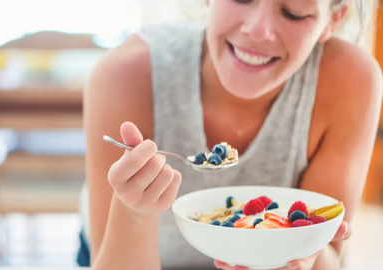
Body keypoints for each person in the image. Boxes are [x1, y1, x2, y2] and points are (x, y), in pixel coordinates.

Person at [78, 0, 383, 269]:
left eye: (293, 13)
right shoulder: (127, 74)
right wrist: (134, 214)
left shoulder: (351, 82)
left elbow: (329, 255)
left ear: (332, 20)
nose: (258, 30)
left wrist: (302, 256)